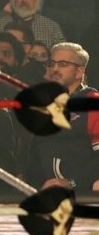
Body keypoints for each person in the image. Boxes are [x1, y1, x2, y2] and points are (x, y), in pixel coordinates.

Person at [25, 42, 99, 190]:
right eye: (51, 64)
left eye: (63, 64)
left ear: (79, 72)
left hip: (84, 197)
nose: (54, 69)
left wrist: (73, 183)